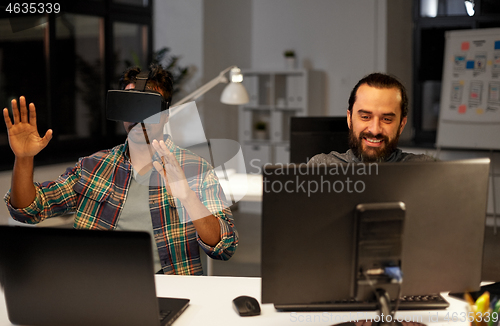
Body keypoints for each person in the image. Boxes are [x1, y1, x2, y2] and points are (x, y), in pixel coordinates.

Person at [2, 63, 238, 275]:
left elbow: (224, 247)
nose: (138, 118)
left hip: (170, 287)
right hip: (97, 284)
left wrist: (187, 197)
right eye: (130, 105)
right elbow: (28, 210)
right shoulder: (94, 166)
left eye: (148, 107)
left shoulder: (194, 168)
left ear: (165, 115)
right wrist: (23, 158)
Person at [308, 73, 434, 164]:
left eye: (386, 119)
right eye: (365, 117)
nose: (375, 130)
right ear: (349, 119)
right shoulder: (322, 167)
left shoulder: (424, 170)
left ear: (402, 124)